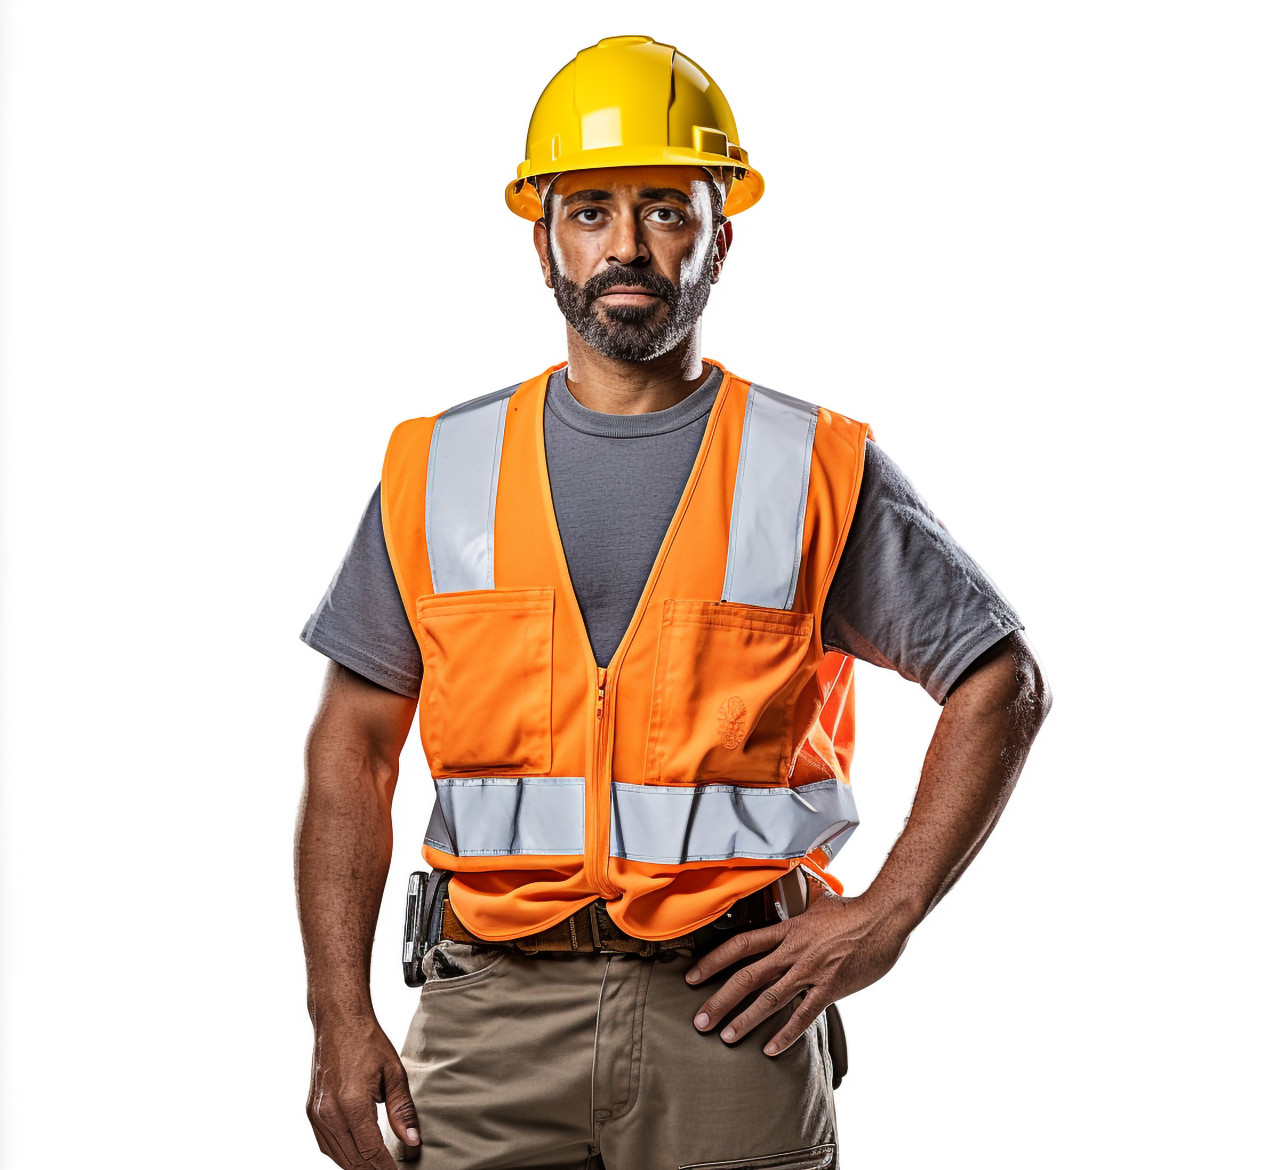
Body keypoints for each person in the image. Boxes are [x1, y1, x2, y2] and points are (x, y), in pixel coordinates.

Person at [295, 34, 1052, 1170]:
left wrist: (885, 916)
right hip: (489, 1014)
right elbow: (350, 751)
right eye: (590, 211)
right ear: (541, 239)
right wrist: (337, 1017)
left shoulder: (811, 466)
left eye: (665, 209)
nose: (626, 246)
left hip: (732, 1012)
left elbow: (1000, 681)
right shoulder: (435, 467)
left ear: (719, 236)